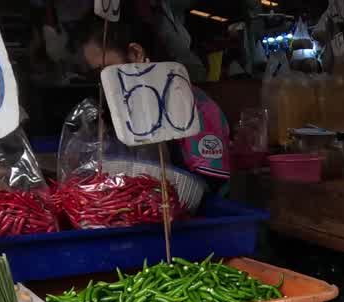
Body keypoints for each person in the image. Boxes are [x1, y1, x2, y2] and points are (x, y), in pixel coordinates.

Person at [75, 15, 231, 181]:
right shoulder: (128, 106)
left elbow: (208, 184)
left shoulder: (195, 107)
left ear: (136, 53)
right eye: (96, 74)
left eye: (106, 69)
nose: (104, 82)